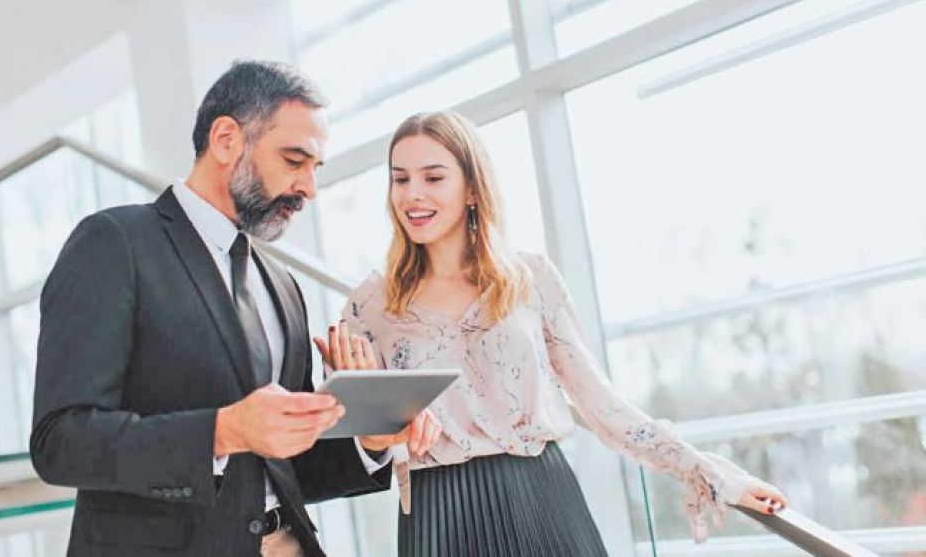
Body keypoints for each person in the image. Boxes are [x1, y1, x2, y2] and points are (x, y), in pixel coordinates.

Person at [315, 110, 789, 557]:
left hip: (542, 496)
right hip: (440, 512)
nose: (412, 194)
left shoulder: (530, 280)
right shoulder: (370, 305)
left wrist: (705, 471)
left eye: (433, 177)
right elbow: (362, 439)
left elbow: (599, 402)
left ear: (473, 189)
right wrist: (362, 410)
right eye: (400, 179)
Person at [29, 61, 438, 557]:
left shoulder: (282, 286)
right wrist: (223, 431)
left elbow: (287, 467)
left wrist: (370, 440)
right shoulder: (115, 244)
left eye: (315, 168)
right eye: (294, 160)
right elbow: (61, 442)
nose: (309, 188)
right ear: (226, 139)